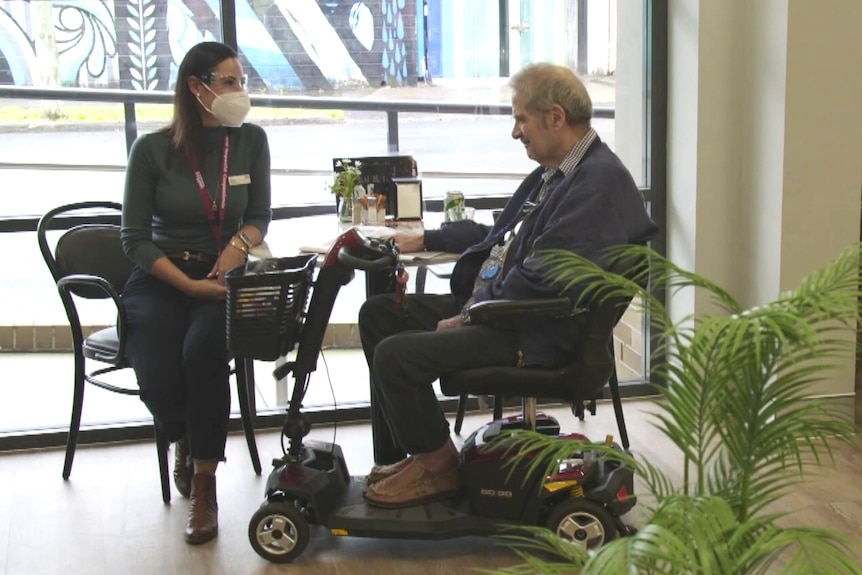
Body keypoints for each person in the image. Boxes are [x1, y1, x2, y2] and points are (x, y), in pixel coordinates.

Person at [358, 63, 658, 508]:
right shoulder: (556, 174)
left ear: (555, 118)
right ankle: (414, 455)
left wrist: (467, 315)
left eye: (521, 120)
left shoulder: (597, 185)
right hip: (501, 310)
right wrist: (427, 239)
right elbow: (498, 237)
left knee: (395, 357)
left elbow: (542, 279)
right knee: (379, 314)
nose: (516, 133)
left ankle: (439, 469)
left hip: (529, 330)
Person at [120, 41, 271, 544]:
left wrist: (234, 250)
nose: (239, 91)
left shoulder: (250, 141)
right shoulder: (151, 149)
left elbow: (258, 217)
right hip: (165, 277)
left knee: (204, 353)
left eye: (241, 80)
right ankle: (184, 435)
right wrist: (186, 283)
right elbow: (133, 237)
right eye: (227, 82)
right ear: (196, 87)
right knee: (158, 374)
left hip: (224, 274)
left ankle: (204, 482)